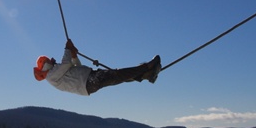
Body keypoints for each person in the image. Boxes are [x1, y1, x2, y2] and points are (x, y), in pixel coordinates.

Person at [33, 39, 161, 95]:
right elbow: (67, 64)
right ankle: (147, 67)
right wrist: (67, 48)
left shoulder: (55, 72)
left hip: (88, 81)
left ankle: (145, 75)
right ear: (45, 65)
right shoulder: (51, 76)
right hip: (88, 82)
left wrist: (73, 55)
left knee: (117, 78)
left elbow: (77, 66)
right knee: (116, 75)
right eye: (48, 61)